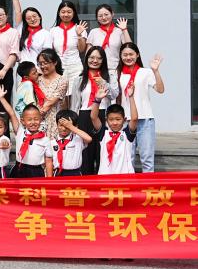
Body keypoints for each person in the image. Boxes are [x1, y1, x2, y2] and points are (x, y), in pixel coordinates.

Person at [117, 45, 165, 173]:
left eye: (131, 54)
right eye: (125, 55)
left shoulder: (145, 72)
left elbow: (160, 90)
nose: (128, 57)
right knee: (128, 158)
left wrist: (155, 71)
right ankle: (129, 184)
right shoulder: (119, 74)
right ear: (120, 56)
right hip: (126, 120)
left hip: (145, 119)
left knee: (147, 158)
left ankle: (148, 184)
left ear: (137, 55)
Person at [75, 46, 117, 174]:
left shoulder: (109, 77)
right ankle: (86, 180)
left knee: (101, 150)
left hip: (102, 114)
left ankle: (101, 180)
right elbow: (75, 103)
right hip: (84, 115)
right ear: (86, 59)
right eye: (92, 57)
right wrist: (75, 122)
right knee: (85, 152)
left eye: (99, 58)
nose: (95, 61)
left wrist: (104, 83)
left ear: (103, 60)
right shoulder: (80, 79)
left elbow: (114, 95)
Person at [0, 88, 52, 178]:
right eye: (29, 119)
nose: (33, 122)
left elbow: (48, 161)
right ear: (22, 121)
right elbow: (12, 113)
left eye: (36, 119)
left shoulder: (45, 139)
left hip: (36, 172)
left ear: (41, 120)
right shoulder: (20, 131)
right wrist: (1, 98)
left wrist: (49, 181)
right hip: (19, 169)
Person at [90, 92, 139, 177]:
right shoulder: (103, 133)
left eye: (118, 119)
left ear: (124, 120)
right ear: (106, 120)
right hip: (105, 176)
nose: (115, 123)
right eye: (111, 119)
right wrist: (97, 100)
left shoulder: (127, 134)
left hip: (125, 176)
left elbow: (134, 119)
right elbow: (93, 117)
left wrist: (131, 97)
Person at [11, 0, 53, 67]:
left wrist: (41, 69)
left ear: (40, 17)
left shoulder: (46, 34)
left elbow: (47, 55)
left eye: (34, 16)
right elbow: (18, 12)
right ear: (25, 21)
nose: (32, 19)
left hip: (38, 69)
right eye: (28, 18)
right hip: (23, 69)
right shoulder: (21, 29)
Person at [50, 2, 84, 101]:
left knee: (75, 97)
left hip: (75, 67)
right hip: (59, 68)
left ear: (74, 13)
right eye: (63, 12)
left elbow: (82, 49)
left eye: (69, 12)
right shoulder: (53, 31)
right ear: (59, 13)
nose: (66, 14)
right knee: (60, 97)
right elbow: (51, 52)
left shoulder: (79, 28)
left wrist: (79, 35)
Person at [83, 4, 132, 73]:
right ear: (97, 18)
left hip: (115, 69)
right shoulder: (93, 32)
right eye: (100, 16)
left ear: (112, 14)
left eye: (106, 14)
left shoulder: (119, 31)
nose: (103, 18)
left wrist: (124, 29)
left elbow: (130, 48)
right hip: (97, 69)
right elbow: (88, 54)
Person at [34, 48, 69, 137]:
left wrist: (37, 115)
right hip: (37, 120)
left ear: (55, 62)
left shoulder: (62, 80)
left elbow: (51, 102)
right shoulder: (37, 80)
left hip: (54, 121)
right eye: (40, 63)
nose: (42, 66)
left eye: (45, 63)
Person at [48, 110, 93, 177]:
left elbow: (89, 139)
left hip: (75, 173)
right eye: (61, 125)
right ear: (57, 124)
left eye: (67, 126)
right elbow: (49, 162)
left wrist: (71, 127)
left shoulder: (78, 140)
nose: (64, 129)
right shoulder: (52, 142)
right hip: (58, 173)